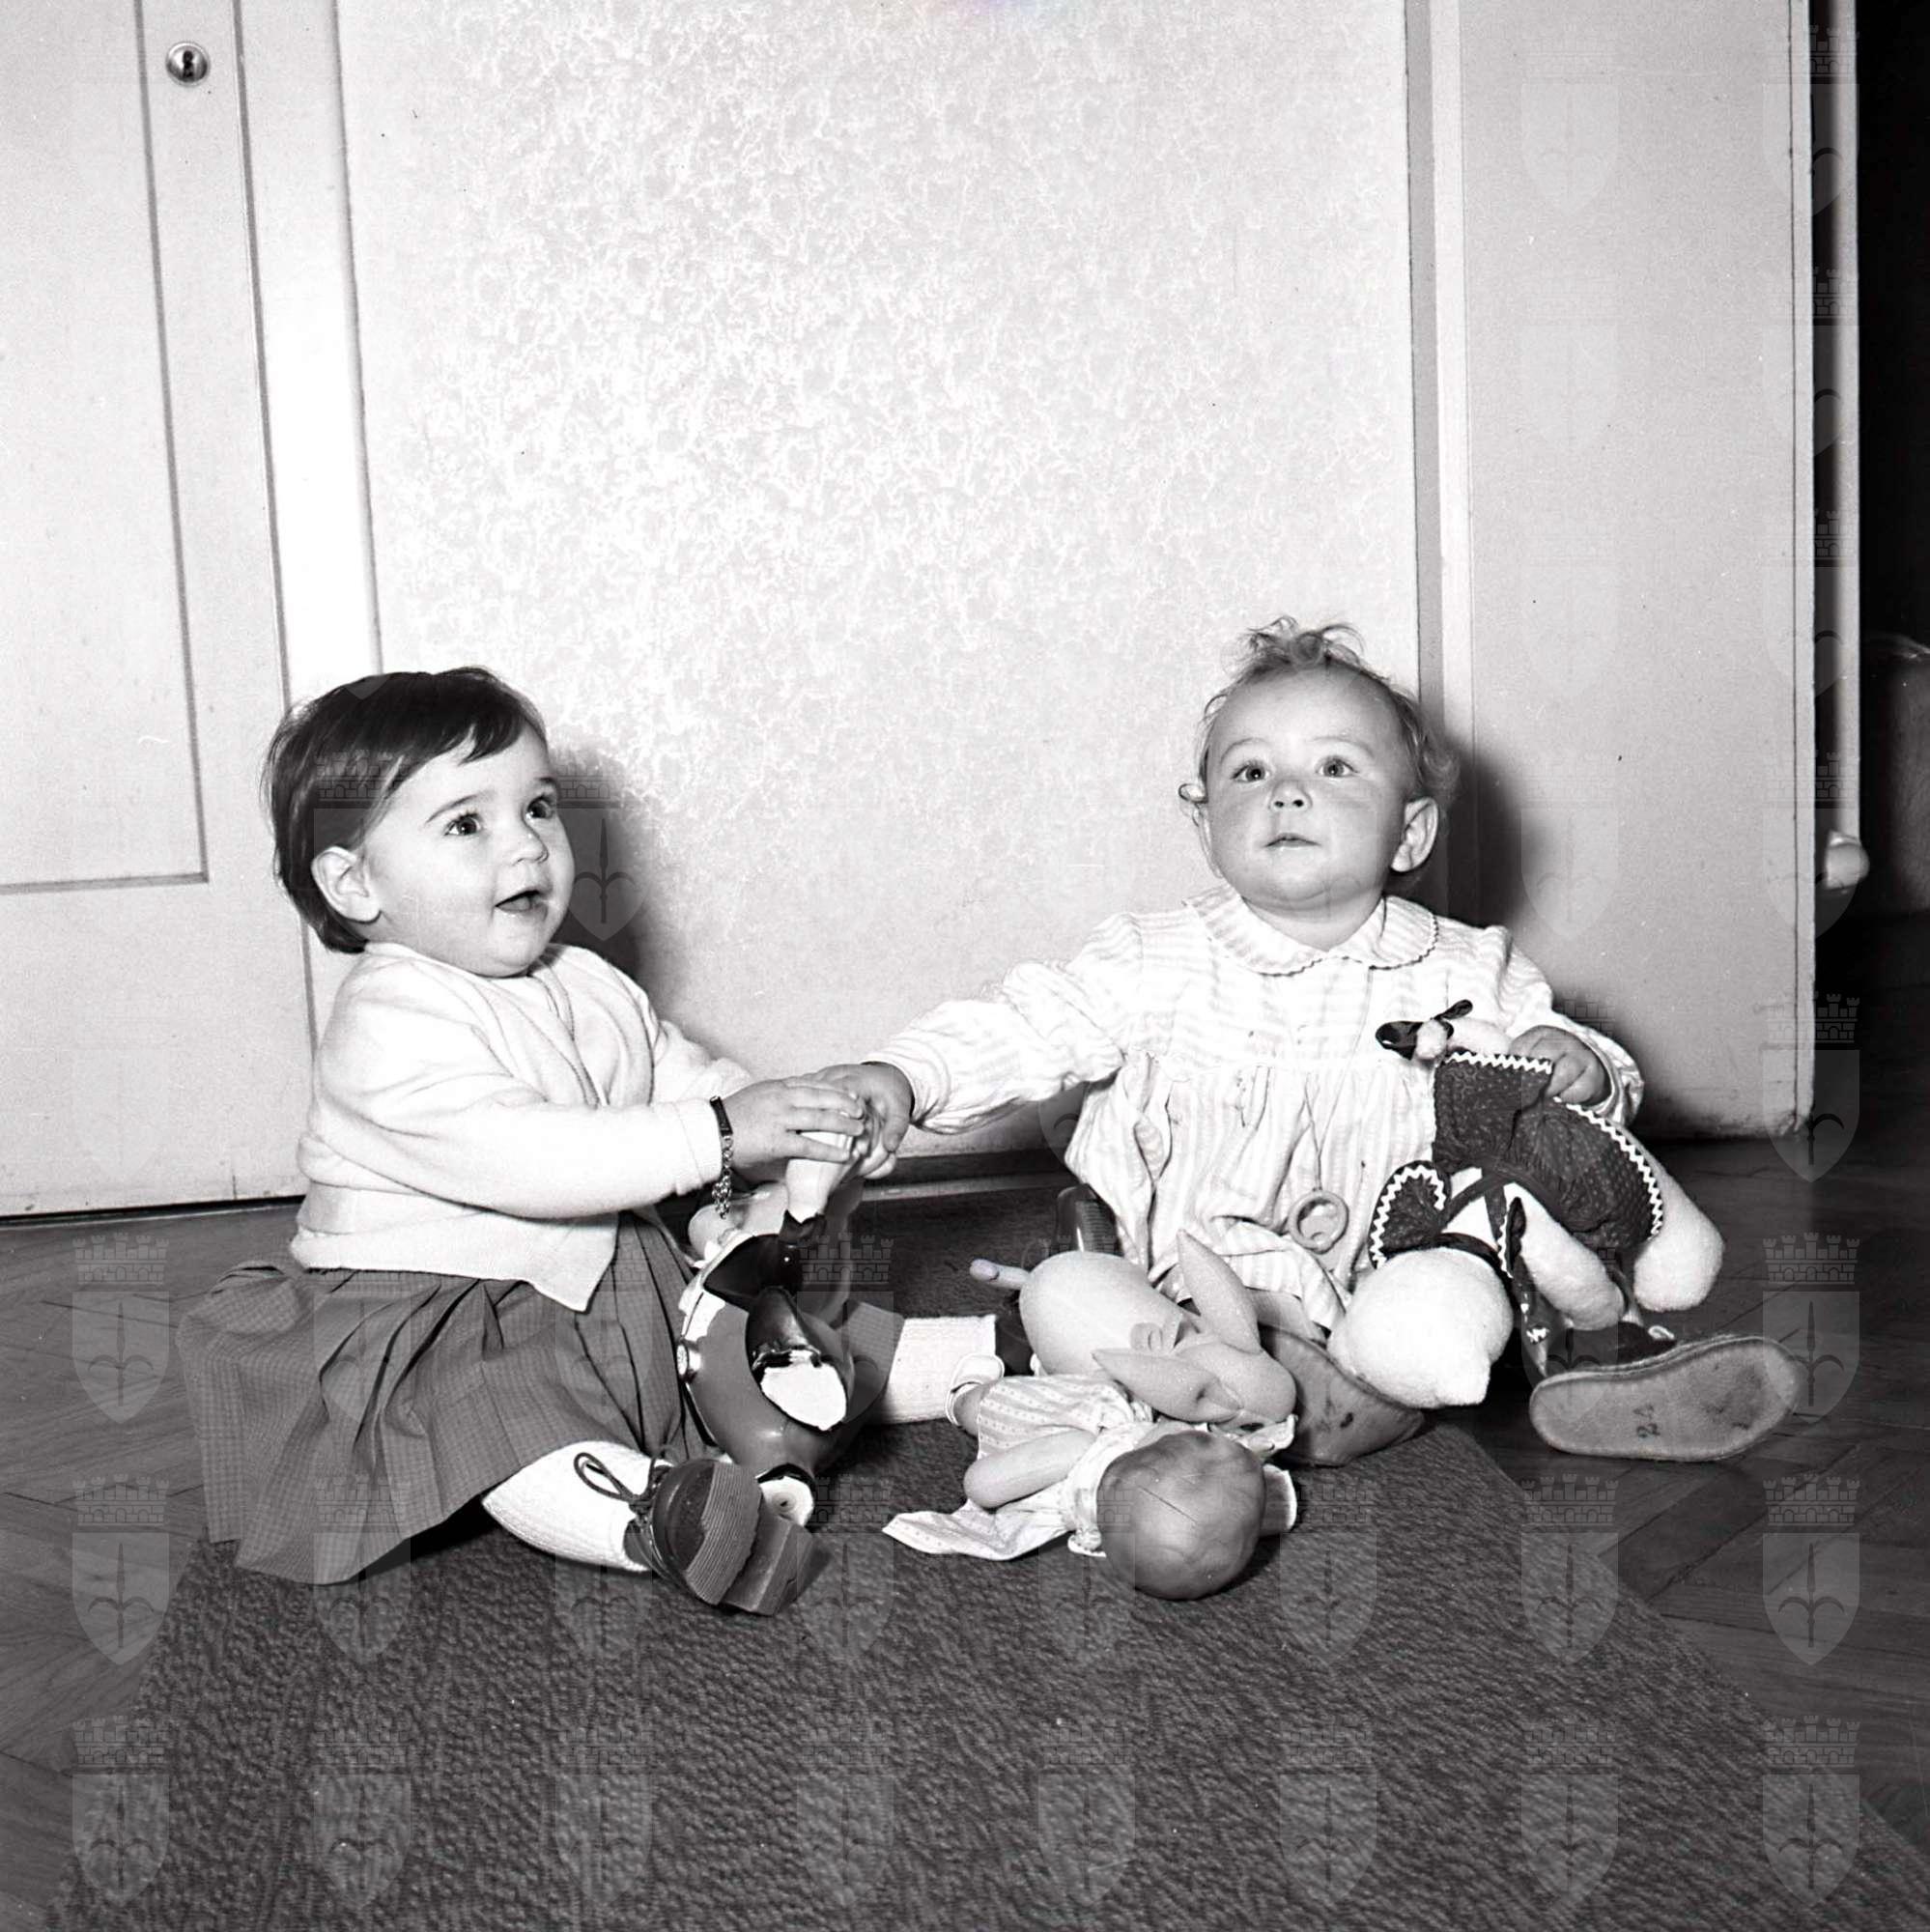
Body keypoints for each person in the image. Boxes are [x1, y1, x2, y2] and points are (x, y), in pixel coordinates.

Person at [824, 618, 1767, 1459]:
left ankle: (1599, 1362)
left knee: (1526, 1238)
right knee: (1076, 1300)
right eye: (1250, 772)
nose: (1286, 793)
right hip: (1195, 1291)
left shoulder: (1468, 967)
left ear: (1411, 832)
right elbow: (1027, 1020)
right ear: (1205, 824)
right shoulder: (1155, 959)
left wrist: (1583, 1068)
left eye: (1335, 768)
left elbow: (1573, 1085)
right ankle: (1212, 1392)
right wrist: (908, 1076)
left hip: (1406, 1273)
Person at [179, 668, 1010, 1612]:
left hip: (602, 1277)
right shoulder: (386, 1019)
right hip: (451, 1309)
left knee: (772, 1334)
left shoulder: (585, 980)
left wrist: (793, 1126)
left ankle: (996, 1353)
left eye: (537, 807)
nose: (526, 844)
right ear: (356, 883)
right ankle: (660, 1518)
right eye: (467, 823)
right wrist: (722, 1132)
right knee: (500, 1422)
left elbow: (678, 1076)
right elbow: (531, 1156)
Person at [882, 1366, 1293, 1601]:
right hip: (1088, 1417)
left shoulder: (1080, 1491)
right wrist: (1248, 1448)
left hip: (1054, 1463)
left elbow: (981, 1485)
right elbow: (1218, 1479)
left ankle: (967, 1396)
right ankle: (986, 1388)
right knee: (993, 1412)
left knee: (983, 1451)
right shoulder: (1198, 1480)